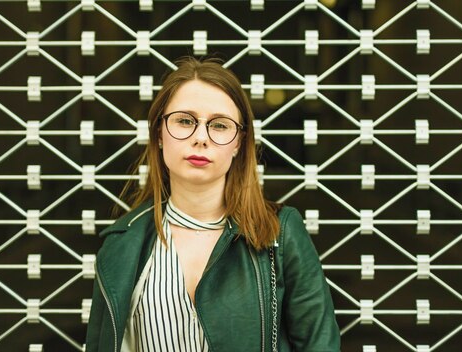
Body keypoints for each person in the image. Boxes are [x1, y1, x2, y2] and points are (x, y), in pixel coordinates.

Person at [85, 57, 341, 352]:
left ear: (238, 143)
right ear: (158, 132)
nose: (201, 138)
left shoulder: (279, 233)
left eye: (219, 125)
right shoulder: (122, 244)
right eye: (184, 121)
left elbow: (320, 345)